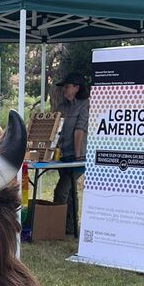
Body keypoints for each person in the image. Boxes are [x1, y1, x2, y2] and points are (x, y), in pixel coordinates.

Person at [52, 71, 90, 237]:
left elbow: (80, 130)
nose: (64, 90)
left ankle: (55, 226)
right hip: (64, 155)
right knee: (71, 192)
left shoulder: (85, 104)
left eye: (67, 87)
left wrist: (78, 155)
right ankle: (71, 228)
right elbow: (56, 131)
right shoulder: (62, 107)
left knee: (62, 190)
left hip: (78, 156)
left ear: (77, 88)